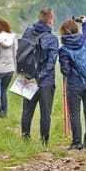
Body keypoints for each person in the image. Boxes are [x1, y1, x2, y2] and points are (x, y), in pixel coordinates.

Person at [20, 8, 59, 145]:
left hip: (28, 78)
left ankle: (25, 140)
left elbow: (21, 53)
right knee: (45, 113)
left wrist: (27, 75)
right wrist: (39, 77)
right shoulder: (52, 39)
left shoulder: (27, 32)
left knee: (27, 112)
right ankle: (44, 143)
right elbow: (51, 62)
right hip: (45, 82)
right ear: (49, 20)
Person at [59, 16, 86, 150]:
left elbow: (65, 70)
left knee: (74, 113)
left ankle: (76, 142)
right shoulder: (84, 41)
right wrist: (84, 22)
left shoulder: (64, 50)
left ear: (62, 33)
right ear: (75, 30)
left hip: (74, 85)